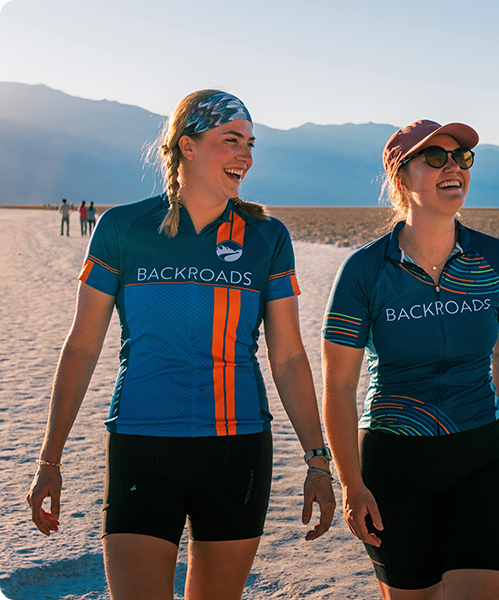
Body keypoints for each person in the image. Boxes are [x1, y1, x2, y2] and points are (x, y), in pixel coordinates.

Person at [27, 90, 335, 600]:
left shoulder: (267, 237)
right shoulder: (122, 228)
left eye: (251, 144)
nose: (246, 156)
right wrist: (49, 459)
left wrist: (317, 460)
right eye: (231, 140)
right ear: (187, 147)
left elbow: (288, 357)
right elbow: (82, 347)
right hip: (142, 444)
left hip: (238, 450)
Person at [322, 119, 499, 600]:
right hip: (395, 466)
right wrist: (351, 484)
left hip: (482, 459)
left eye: (461, 158)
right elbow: (337, 388)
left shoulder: (496, 261)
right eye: (435, 158)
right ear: (400, 178)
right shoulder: (364, 271)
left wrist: (498, 438)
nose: (453, 167)